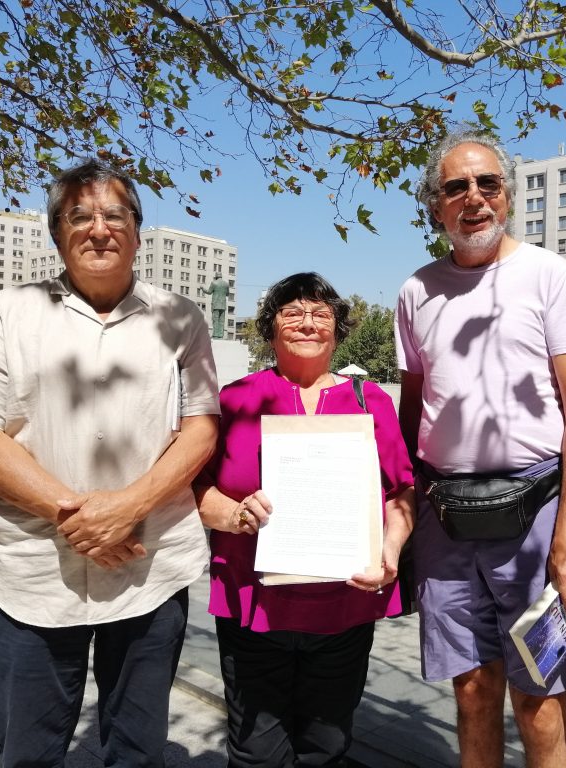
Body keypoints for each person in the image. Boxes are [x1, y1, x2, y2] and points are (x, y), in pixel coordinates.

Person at [0, 159, 220, 767]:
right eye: (79, 216)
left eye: (114, 215)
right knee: (28, 751)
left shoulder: (181, 319)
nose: (98, 229)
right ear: (56, 233)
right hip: (32, 576)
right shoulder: (8, 313)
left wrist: (129, 508)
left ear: (138, 231)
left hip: (150, 568)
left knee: (139, 750)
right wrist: (81, 517)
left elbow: (201, 430)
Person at [395, 130, 566, 768]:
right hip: (445, 516)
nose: (474, 198)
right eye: (456, 187)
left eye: (488, 183)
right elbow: (412, 407)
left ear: (508, 194)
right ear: (434, 206)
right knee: (473, 688)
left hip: (536, 511)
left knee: (540, 696)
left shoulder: (548, 274)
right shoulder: (415, 291)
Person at [194, 272, 415, 768]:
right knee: (256, 754)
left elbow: (401, 491)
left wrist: (391, 550)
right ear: (270, 330)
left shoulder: (370, 401)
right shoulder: (235, 400)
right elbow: (196, 487)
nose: (308, 323)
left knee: (326, 750)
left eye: (321, 313)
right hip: (254, 607)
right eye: (292, 312)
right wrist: (232, 514)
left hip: (345, 605)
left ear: (339, 330)